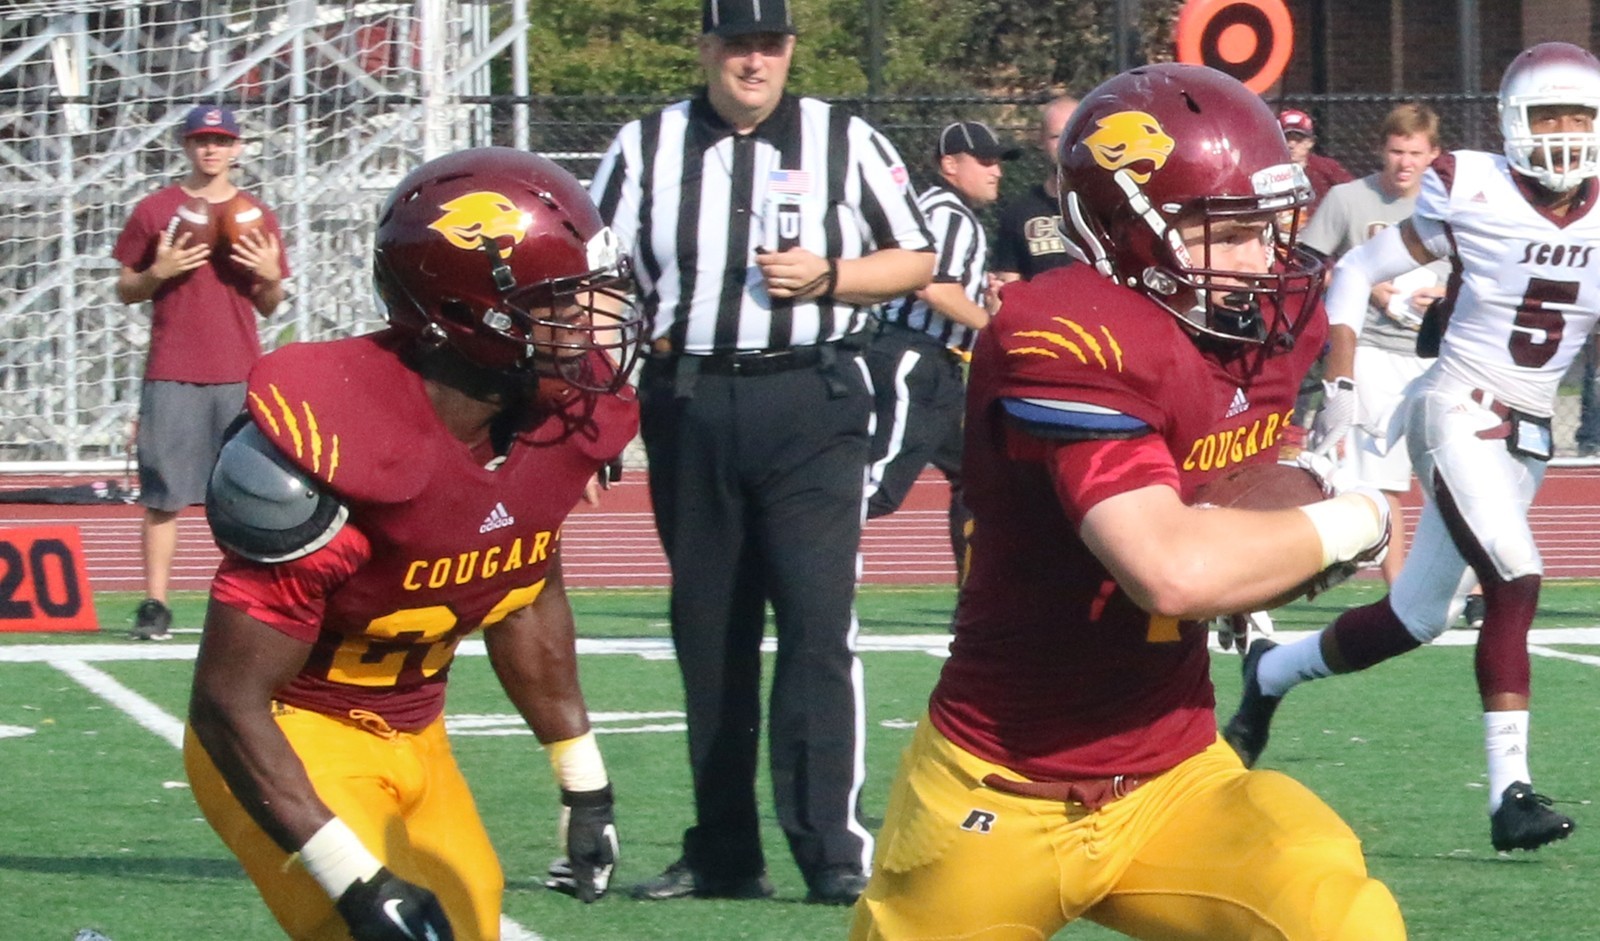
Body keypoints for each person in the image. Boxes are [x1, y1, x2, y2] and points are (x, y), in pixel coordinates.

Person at [851, 63, 1401, 941]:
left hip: (1176, 776)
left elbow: (1222, 510)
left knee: (1340, 917)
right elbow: (1170, 571)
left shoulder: (1249, 330)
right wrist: (1355, 520)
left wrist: (1271, 530)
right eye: (1230, 232)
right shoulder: (1064, 330)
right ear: (1126, 227)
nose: (1263, 259)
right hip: (1004, 788)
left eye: (1268, 229)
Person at [183, 148, 643, 940]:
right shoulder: (333, 443)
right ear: (470, 312)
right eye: (561, 298)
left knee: (471, 917)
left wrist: (583, 777)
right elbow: (228, 701)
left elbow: (525, 586)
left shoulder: (551, 414)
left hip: (417, 729)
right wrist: (352, 880)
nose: (591, 317)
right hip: (290, 730)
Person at [589, 0, 934, 907]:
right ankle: (723, 851)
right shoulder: (645, 146)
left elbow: (914, 258)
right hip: (689, 399)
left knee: (817, 624)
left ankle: (833, 850)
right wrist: (592, 411)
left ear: (789, 50)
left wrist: (833, 276)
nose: (755, 62)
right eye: (738, 44)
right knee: (710, 632)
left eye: (770, 45)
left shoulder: (844, 140)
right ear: (706, 49)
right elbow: (598, 282)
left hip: (812, 401)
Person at [1226, 41, 1600, 854]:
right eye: (1549, 116)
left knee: (1417, 616)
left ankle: (1268, 673)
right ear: (1514, 122)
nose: (1565, 134)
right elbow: (1356, 271)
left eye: (1579, 116)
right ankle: (1510, 793)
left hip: (1528, 432)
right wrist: (1344, 378)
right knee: (1515, 574)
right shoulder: (1472, 185)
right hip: (1457, 407)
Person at [112, 104, 287, 641]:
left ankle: (247, 603)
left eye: (221, 140)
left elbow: (270, 304)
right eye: (202, 140)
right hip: (172, 369)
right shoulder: (156, 209)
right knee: (163, 494)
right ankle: (155, 603)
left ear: (237, 148)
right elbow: (125, 289)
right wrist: (157, 273)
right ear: (187, 146)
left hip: (238, 370)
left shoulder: (255, 213)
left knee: (245, 495)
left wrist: (270, 276)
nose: (211, 149)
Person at [1304, 103, 1448, 585]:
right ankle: (1398, 590)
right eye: (1396, 151)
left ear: (1434, 154)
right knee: (1382, 480)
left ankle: (1467, 585)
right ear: (1381, 150)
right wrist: (1363, 284)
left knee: (1453, 479)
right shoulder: (1348, 199)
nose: (1405, 163)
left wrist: (1445, 294)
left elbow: (1483, 274)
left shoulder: (1450, 206)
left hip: (1437, 356)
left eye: (1415, 153)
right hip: (1370, 351)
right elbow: (1303, 268)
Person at [865, 120, 1017, 580]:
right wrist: (994, 328)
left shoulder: (938, 210)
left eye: (997, 162)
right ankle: (791, 548)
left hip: (937, 366)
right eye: (984, 161)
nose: (996, 172)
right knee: (877, 487)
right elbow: (932, 287)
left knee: (977, 477)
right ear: (950, 164)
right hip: (918, 358)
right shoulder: (949, 215)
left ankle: (974, 594)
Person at [992, 95, 1078, 284]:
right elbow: (1008, 286)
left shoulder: (1111, 210)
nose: (1066, 143)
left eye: (1075, 134)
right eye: (1056, 136)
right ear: (1041, 141)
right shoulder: (1019, 214)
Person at [1280, 108, 1355, 219]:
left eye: (1298, 139)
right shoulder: (1268, 170)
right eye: (1286, 139)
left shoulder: (1326, 167)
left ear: (1310, 142)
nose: (1291, 145)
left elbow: (1353, 192)